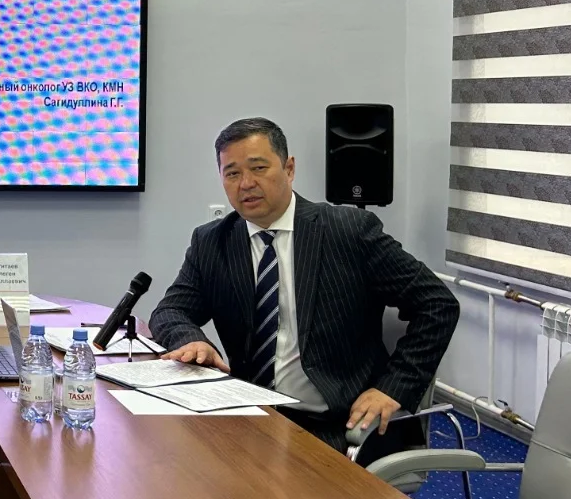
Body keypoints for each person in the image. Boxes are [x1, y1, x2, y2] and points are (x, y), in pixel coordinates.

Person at [147, 117, 458, 464]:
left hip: (337, 426)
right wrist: (192, 340)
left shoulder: (348, 231)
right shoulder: (213, 241)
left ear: (289, 168)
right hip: (249, 417)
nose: (246, 184)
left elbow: (437, 303)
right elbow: (170, 311)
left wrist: (392, 387)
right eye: (232, 173)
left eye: (258, 168)